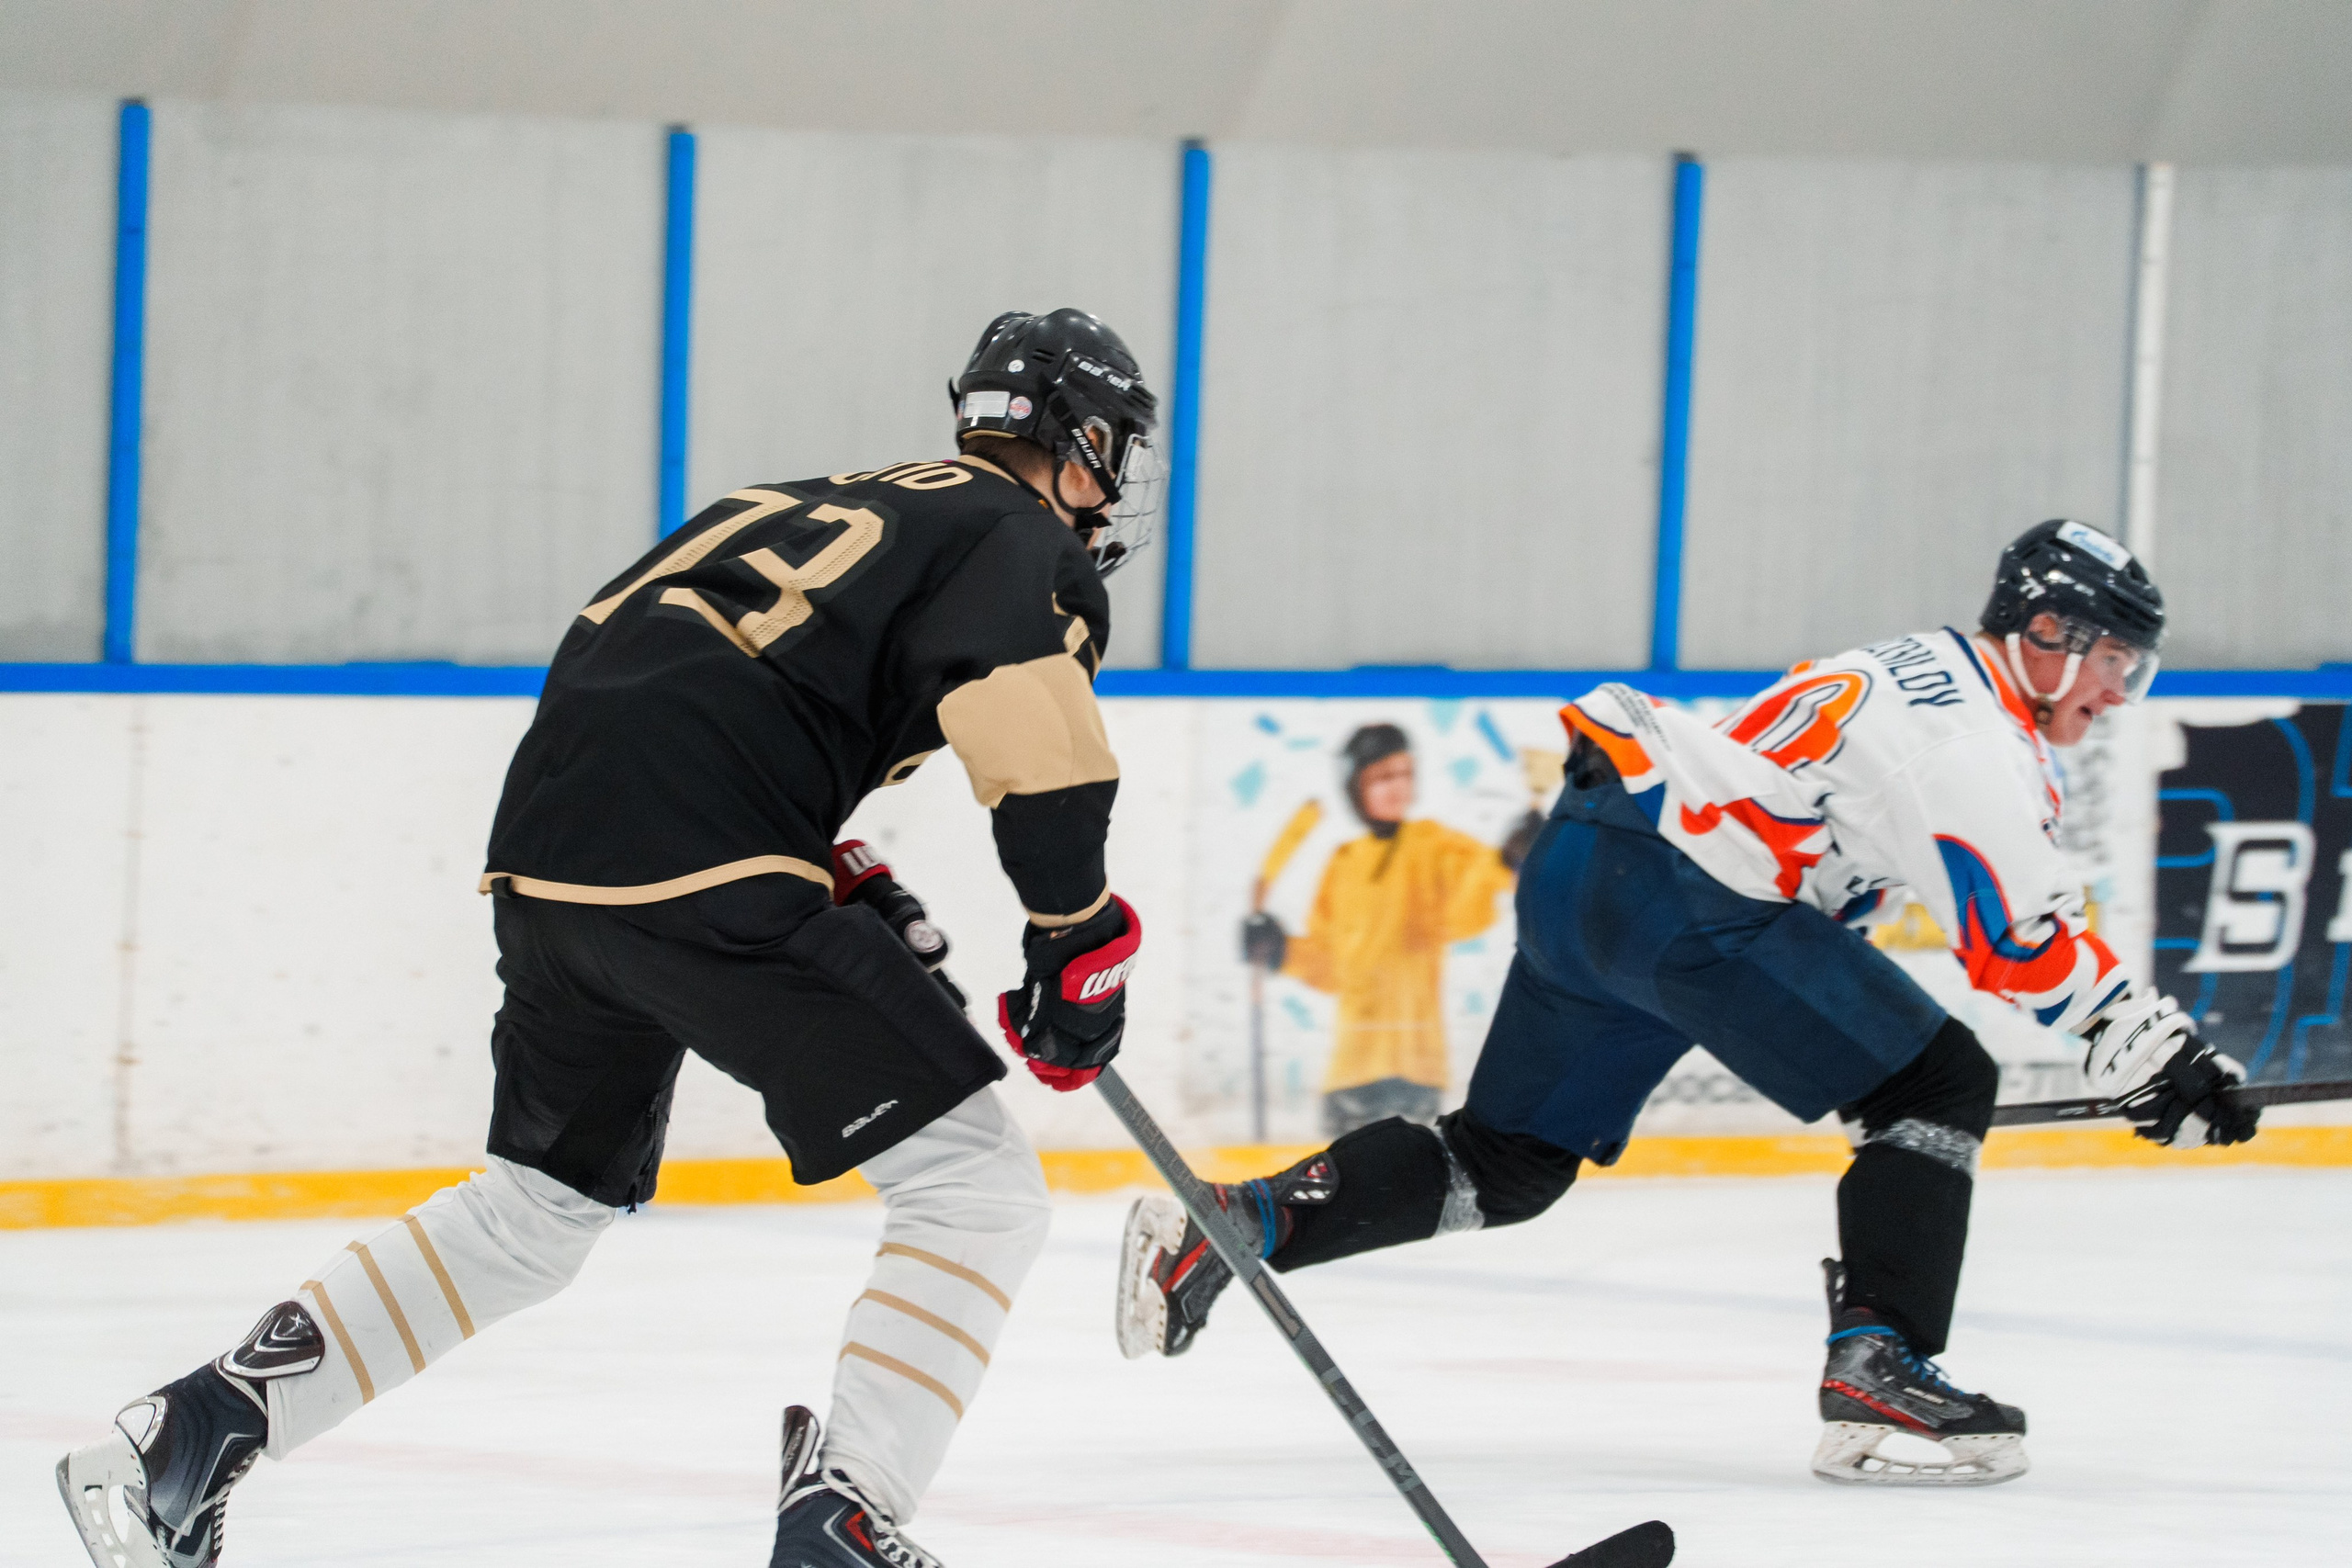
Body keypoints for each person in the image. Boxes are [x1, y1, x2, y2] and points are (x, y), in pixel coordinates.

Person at [59, 308, 1160, 1568]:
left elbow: (670, 675)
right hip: (711, 863)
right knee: (977, 1187)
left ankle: (189, 1432)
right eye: (1110, 448)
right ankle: (848, 1510)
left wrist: (825, 861)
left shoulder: (803, 497)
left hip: (548, 859)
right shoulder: (1017, 537)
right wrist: (1077, 939)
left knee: (532, 1210)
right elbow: (1038, 746)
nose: (1108, 483)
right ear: (1076, 439)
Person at [1119, 520, 2259, 1487]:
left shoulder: (1927, 667)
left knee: (1507, 1163)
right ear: (2045, 636)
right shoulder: (1969, 739)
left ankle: (1230, 1224)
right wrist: (2154, 1057)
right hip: (1686, 903)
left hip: (1594, 864)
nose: (2120, 690)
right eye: (2113, 658)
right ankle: (1879, 1373)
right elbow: (2012, 935)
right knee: (1937, 1080)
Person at [1240, 725, 1537, 1133]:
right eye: (1382, 776)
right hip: (1349, 1068)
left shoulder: (1434, 844)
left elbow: (1466, 913)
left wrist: (1506, 861)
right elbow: (1331, 967)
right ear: (1354, 787)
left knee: (1412, 1186)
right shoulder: (1342, 864)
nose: (1398, 786)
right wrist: (1280, 950)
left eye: (1405, 773)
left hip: (1416, 1065)